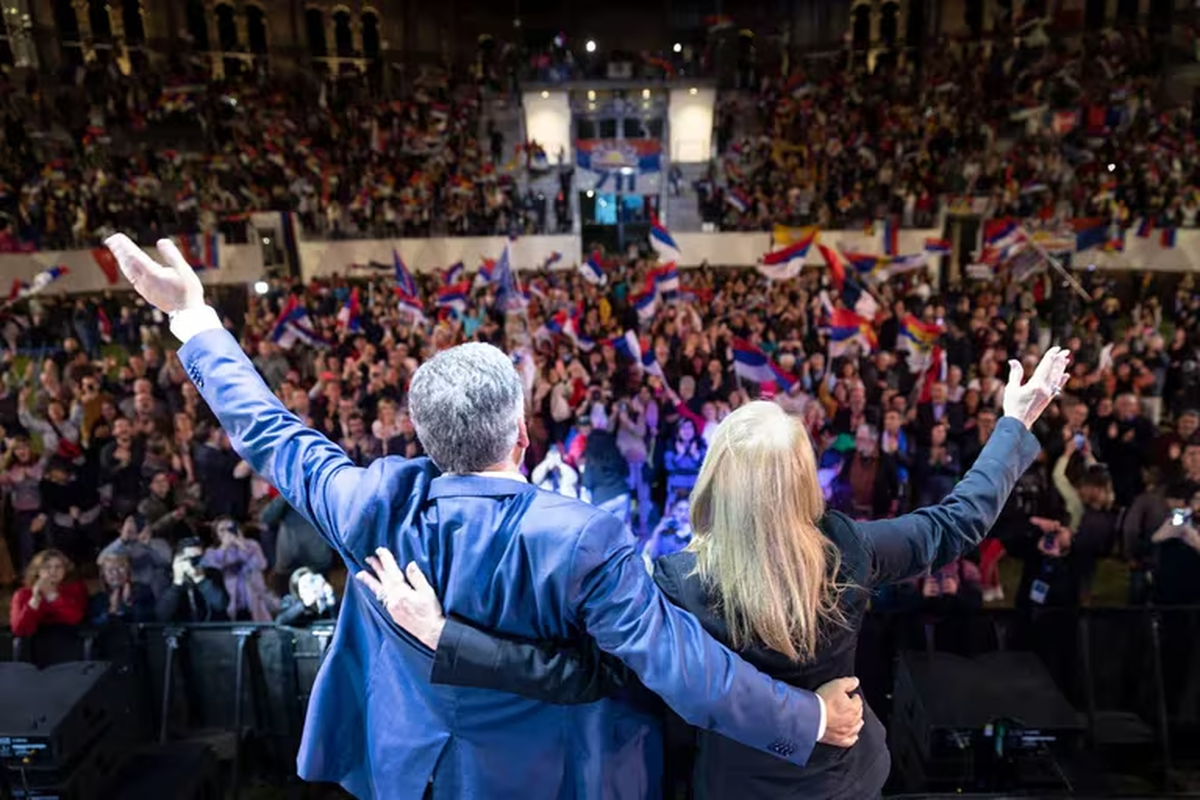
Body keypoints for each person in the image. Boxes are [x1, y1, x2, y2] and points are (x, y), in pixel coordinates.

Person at [105, 234, 864, 800]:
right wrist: (805, 718)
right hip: (545, 782)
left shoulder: (368, 503)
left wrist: (195, 319)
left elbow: (269, 434)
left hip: (410, 770)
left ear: (424, 437)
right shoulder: (585, 538)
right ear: (524, 435)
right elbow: (679, 665)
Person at [362, 349, 1067, 799]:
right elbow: (958, 522)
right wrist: (1013, 423)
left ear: (714, 479)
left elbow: (579, 672)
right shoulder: (851, 548)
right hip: (848, 778)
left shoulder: (675, 582)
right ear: (802, 480)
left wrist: (446, 636)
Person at [9, 548, 88, 637]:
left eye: (58, 566)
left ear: (65, 570)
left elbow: (76, 618)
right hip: (35, 644)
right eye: (47, 567)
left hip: (69, 640)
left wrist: (52, 595)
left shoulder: (75, 588)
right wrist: (34, 601)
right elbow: (19, 629)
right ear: (37, 571)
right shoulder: (22, 594)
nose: (53, 571)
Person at [155, 537, 230, 623]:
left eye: (198, 559)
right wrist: (176, 584)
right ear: (176, 561)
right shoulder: (165, 578)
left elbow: (221, 605)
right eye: (189, 559)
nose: (194, 564)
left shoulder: (212, 574)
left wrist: (202, 582)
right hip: (180, 633)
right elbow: (161, 615)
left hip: (211, 632)